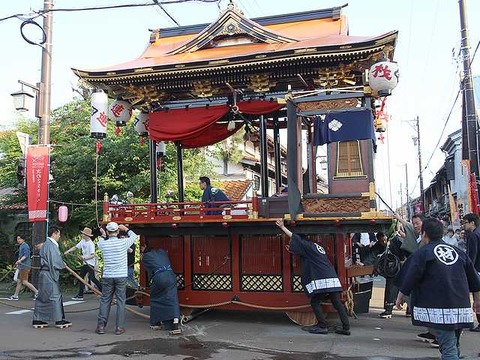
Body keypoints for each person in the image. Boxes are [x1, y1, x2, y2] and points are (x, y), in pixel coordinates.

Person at [395, 217, 480, 360]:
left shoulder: (422, 253)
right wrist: (477, 300)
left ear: (424, 234)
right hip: (460, 307)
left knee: (448, 349)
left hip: (440, 308)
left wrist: (400, 297)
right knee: (453, 345)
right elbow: (474, 280)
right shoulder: (458, 252)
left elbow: (410, 277)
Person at [275, 219, 350, 335]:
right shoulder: (315, 246)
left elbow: (295, 238)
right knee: (336, 302)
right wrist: (291, 250)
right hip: (332, 277)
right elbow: (304, 253)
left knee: (315, 301)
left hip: (322, 279)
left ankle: (322, 326)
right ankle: (346, 327)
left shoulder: (305, 245)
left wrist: (282, 227)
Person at [95, 222, 137, 336]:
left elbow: (101, 241)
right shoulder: (123, 243)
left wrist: (104, 235)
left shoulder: (103, 244)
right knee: (120, 301)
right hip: (121, 276)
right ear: (118, 232)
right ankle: (119, 327)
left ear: (108, 232)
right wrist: (126, 229)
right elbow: (134, 236)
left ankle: (101, 326)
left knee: (105, 300)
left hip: (108, 276)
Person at [32, 226, 72, 329]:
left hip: (43, 273)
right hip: (49, 274)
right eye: (58, 234)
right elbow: (55, 261)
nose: (59, 236)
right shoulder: (52, 246)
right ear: (54, 233)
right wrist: (62, 264)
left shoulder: (45, 244)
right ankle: (59, 320)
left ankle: (38, 318)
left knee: (42, 297)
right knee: (55, 296)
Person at [141, 243, 181, 335]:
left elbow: (149, 271)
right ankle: (175, 323)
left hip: (160, 277)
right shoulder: (162, 252)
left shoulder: (146, 257)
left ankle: (156, 323)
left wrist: (142, 258)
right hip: (171, 275)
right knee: (172, 298)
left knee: (155, 298)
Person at [64, 227, 102, 301]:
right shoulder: (82, 241)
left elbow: (92, 255)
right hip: (85, 264)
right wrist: (68, 251)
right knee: (81, 278)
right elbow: (75, 247)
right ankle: (80, 295)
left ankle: (103, 292)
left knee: (92, 279)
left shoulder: (91, 244)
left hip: (90, 264)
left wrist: (84, 258)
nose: (82, 235)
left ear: (87, 235)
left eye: (83, 234)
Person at [461, 213, 480, 332]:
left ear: (472, 223)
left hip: (477, 270)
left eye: (465, 222)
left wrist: (468, 270)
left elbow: (471, 256)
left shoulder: (473, 236)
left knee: (477, 297)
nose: (464, 225)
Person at [8, 235, 38, 301]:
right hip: (21, 266)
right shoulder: (21, 246)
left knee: (24, 282)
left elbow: (26, 255)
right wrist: (18, 263)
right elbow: (21, 255)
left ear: (23, 239)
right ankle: (16, 295)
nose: (18, 240)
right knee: (19, 281)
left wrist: (20, 260)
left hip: (25, 266)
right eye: (17, 239)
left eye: (20, 239)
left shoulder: (25, 246)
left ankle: (37, 292)